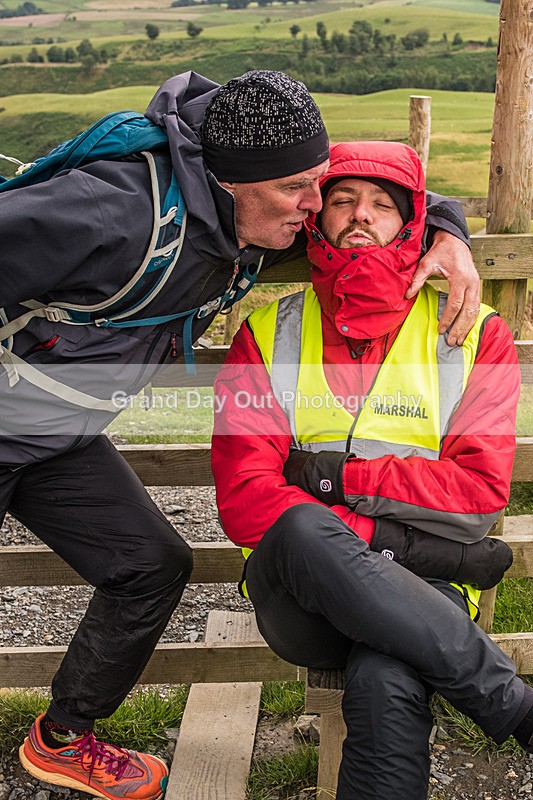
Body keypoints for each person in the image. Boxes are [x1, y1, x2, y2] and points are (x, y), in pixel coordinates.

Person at [1, 70, 476, 800]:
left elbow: (365, 187)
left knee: (151, 565)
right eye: (299, 191)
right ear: (226, 183)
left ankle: (61, 738)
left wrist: (445, 227)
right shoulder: (110, 212)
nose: (316, 207)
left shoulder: (256, 196)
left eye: (316, 185)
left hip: (53, 437)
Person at [211, 140, 532, 800]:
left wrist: (331, 476)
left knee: (386, 681)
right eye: (342, 200)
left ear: (413, 223)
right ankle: (513, 708)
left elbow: (476, 499)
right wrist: (386, 540)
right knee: (297, 530)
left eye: (383, 204)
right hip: (303, 597)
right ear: (316, 217)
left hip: (427, 597)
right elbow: (247, 502)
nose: (361, 215)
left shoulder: (476, 336)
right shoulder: (265, 335)